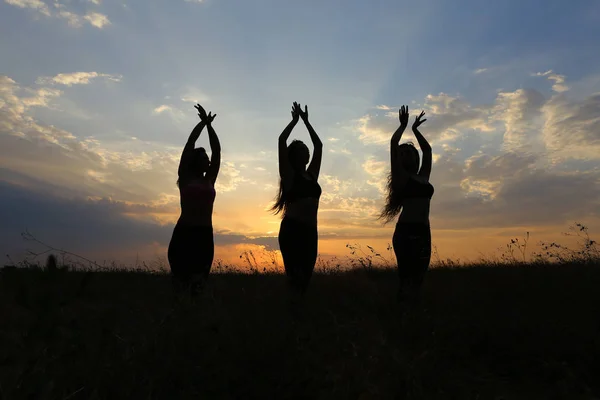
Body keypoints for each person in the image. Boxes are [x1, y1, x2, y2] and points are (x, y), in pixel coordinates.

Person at [379, 105, 433, 304]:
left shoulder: (423, 176)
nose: (404, 156)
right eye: (401, 155)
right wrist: (402, 126)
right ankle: (402, 311)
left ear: (415, 157)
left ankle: (413, 311)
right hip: (406, 231)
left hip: (424, 231)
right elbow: (393, 143)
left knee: (419, 277)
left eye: (408, 153)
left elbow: (427, 150)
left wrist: (416, 130)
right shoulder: (401, 178)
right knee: (406, 276)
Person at [271, 101, 323, 297]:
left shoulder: (312, 175)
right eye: (301, 149)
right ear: (293, 156)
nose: (306, 151)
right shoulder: (289, 176)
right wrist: (294, 121)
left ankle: (298, 316)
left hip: (311, 232)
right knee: (295, 279)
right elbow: (281, 140)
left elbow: (318, 145)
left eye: (305, 149)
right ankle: (291, 317)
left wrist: (307, 122)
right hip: (293, 230)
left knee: (306, 281)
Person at [168, 104, 221, 295]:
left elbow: (217, 152)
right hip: (184, 233)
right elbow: (189, 144)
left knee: (199, 286)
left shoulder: (210, 179)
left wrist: (210, 126)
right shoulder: (185, 178)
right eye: (203, 157)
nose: (207, 161)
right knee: (180, 283)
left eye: (207, 158)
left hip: (204, 235)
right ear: (195, 161)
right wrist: (202, 123)